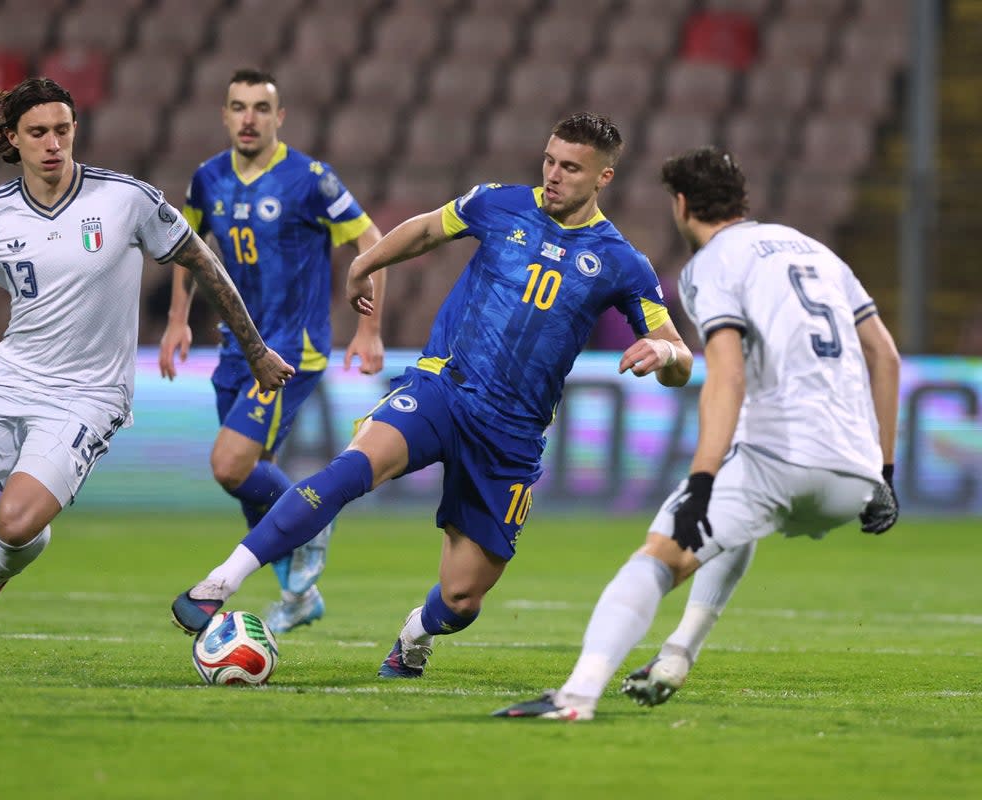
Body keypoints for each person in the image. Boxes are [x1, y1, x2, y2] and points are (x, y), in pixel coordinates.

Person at [170, 112, 694, 679]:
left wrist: (664, 355)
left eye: (571, 168)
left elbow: (679, 357)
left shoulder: (622, 263)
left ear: (603, 178)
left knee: (463, 599)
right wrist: (365, 263)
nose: (553, 175)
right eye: (549, 160)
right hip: (444, 386)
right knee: (349, 471)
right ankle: (218, 582)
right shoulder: (498, 204)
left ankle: (415, 634)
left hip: (512, 435)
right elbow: (425, 230)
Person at [0, 77, 293, 668]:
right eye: (38, 132)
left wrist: (255, 349)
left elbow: (202, 260)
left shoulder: (126, 200)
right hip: (9, 382)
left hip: (89, 394)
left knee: (16, 521)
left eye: (63, 129)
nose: (53, 143)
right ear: (14, 138)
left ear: (74, 129)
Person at [493, 146, 900, 721]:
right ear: (741, 200)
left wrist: (702, 480)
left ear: (681, 205)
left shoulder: (710, 265)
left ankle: (576, 697)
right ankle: (678, 653)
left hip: (780, 458)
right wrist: (884, 471)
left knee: (658, 558)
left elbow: (726, 376)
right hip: (853, 479)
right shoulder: (818, 254)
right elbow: (885, 356)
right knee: (739, 523)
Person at [157, 68, 385, 634]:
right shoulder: (207, 179)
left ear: (279, 117)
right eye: (238, 107)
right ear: (225, 114)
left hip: (291, 349)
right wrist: (177, 321)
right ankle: (298, 593)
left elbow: (370, 238)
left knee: (229, 465)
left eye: (261, 108)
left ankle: (316, 514)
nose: (249, 118)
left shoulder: (310, 180)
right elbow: (186, 249)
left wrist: (368, 328)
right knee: (255, 476)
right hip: (235, 346)